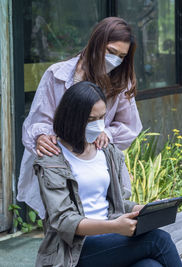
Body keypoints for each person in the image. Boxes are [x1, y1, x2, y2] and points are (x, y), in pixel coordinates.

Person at [34, 81, 182, 267]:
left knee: (150, 266)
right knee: (157, 240)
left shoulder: (105, 151)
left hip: (110, 240)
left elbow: (112, 204)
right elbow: (64, 221)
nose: (98, 125)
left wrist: (140, 209)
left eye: (101, 118)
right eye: (90, 119)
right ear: (71, 118)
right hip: (75, 251)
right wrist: (115, 227)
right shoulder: (52, 159)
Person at [17, 17, 143, 219]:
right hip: (60, 163)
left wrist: (107, 134)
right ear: (97, 43)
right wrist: (41, 136)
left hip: (95, 162)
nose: (115, 60)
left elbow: (129, 125)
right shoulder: (57, 74)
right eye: (111, 52)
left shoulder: (120, 80)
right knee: (62, 220)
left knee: (103, 213)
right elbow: (38, 120)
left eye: (121, 56)